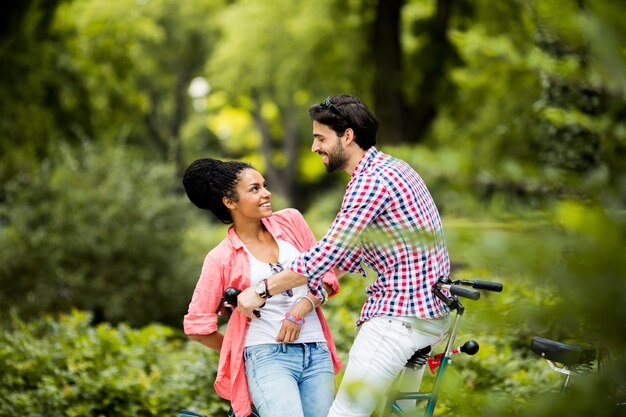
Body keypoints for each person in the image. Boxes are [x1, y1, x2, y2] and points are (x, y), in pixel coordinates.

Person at [237, 94, 451, 417]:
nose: (314, 147)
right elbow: (344, 259)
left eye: (321, 138)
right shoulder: (393, 168)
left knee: (347, 413)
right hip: (430, 315)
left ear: (347, 136)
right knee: (400, 413)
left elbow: (325, 255)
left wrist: (261, 289)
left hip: (400, 316)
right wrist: (309, 298)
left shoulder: (369, 182)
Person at [182, 158, 343, 417]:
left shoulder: (291, 222)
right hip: (266, 356)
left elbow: (327, 276)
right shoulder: (221, 257)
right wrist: (240, 351)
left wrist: (301, 308)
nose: (266, 193)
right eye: (254, 189)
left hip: (316, 350)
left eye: (264, 186)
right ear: (230, 202)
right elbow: (197, 328)